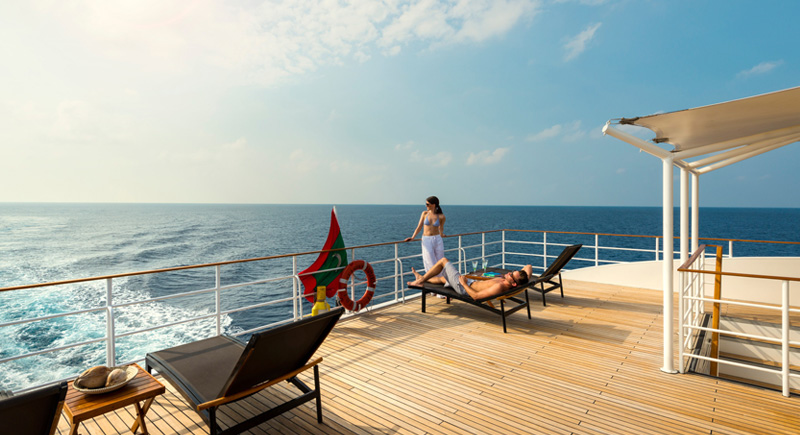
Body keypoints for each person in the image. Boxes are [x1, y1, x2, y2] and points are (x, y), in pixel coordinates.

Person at [408, 257, 532, 301]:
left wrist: (464, 283)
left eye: (511, 275)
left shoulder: (500, 286)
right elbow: (528, 266)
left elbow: (476, 297)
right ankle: (422, 278)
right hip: (471, 283)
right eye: (512, 271)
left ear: (514, 284)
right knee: (443, 280)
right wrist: (522, 276)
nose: (509, 273)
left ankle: (420, 280)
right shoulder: (515, 282)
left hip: (464, 288)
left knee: (443, 261)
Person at [405, 196, 446, 277]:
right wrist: (413, 237)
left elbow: (441, 228)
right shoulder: (424, 213)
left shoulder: (441, 216)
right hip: (426, 239)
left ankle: (441, 277)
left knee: (440, 259)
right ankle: (432, 278)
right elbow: (419, 227)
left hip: (437, 239)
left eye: (427, 204)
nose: (426, 205)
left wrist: (441, 234)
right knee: (429, 259)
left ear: (433, 204)